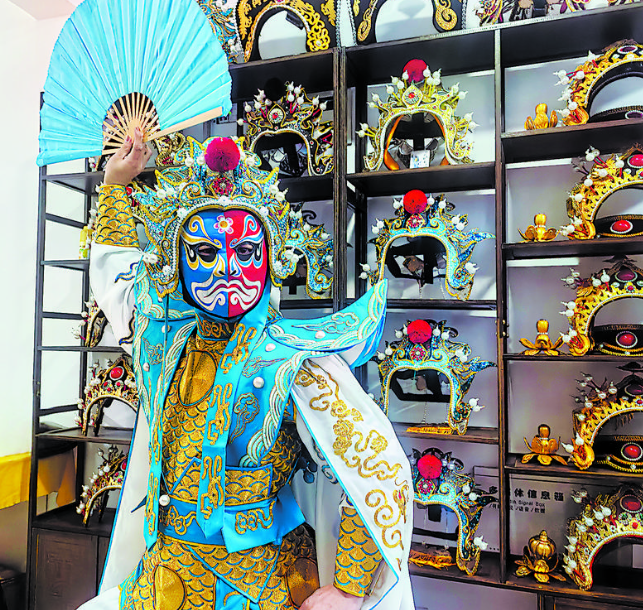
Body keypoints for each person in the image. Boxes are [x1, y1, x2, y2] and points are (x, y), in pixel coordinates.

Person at [81, 128, 414, 610]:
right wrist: (115, 185)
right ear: (176, 265)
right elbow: (119, 281)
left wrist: (348, 586)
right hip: (164, 575)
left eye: (244, 252)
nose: (227, 270)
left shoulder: (294, 359)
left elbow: (380, 471)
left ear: (268, 259)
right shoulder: (164, 342)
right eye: (205, 253)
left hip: (264, 584)